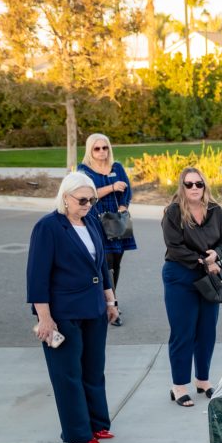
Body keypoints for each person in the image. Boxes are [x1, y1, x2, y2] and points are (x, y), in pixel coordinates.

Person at [26, 172, 119, 443]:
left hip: (94, 309)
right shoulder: (48, 227)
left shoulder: (90, 221)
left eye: (91, 199)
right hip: (63, 313)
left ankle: (98, 423)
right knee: (68, 375)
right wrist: (45, 319)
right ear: (65, 198)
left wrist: (110, 301)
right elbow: (37, 277)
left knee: (93, 368)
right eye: (81, 200)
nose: (87, 204)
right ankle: (78, 433)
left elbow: (101, 266)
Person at [162, 167, 222, 408]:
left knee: (207, 331)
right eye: (188, 184)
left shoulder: (215, 210)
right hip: (180, 276)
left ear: (205, 186)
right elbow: (175, 247)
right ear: (181, 187)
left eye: (198, 184)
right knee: (183, 332)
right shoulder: (173, 212)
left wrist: (217, 253)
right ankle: (179, 386)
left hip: (209, 277)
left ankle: (202, 380)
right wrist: (204, 261)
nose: (194, 188)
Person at [78, 133, 136, 327]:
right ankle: (111, 306)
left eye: (105, 148)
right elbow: (88, 194)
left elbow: (127, 189)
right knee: (105, 264)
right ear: (90, 150)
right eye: (97, 148)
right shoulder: (84, 170)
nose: (102, 152)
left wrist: (123, 207)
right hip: (96, 221)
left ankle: (111, 301)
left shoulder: (117, 167)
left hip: (117, 221)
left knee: (116, 263)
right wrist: (111, 187)